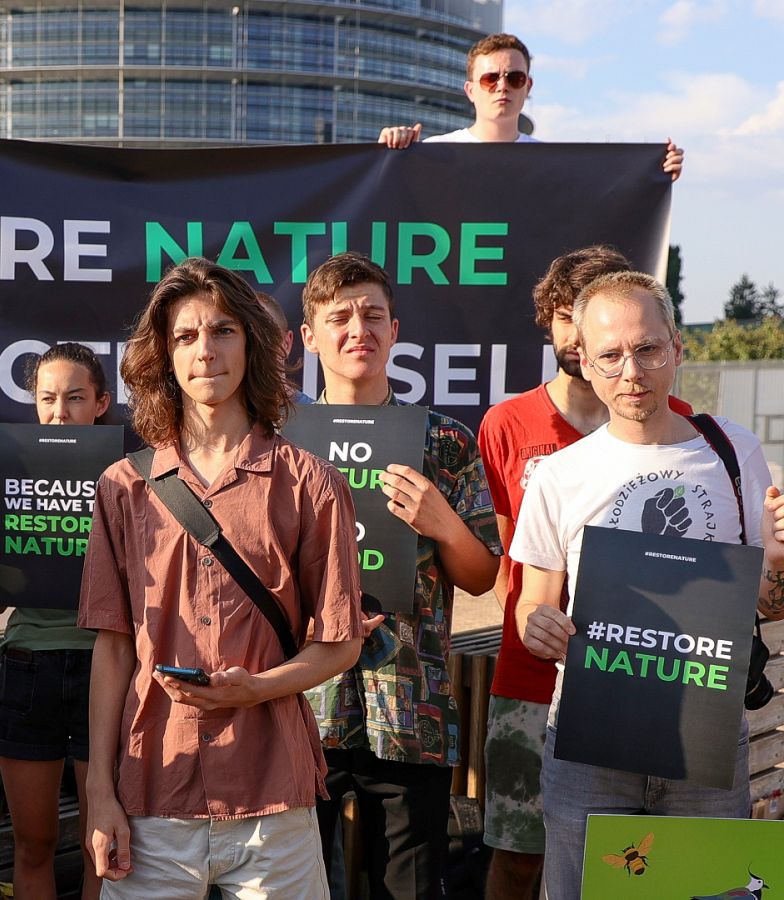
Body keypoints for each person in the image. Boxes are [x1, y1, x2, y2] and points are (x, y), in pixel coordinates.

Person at [81, 257, 365, 898]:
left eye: (223, 331)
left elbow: (341, 643)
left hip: (273, 800)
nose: (204, 351)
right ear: (163, 355)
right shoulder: (124, 486)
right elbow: (112, 645)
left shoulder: (310, 483)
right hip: (152, 786)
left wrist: (255, 688)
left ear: (253, 344)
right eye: (185, 336)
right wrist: (100, 790)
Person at [513, 272, 784, 900]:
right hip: (590, 744)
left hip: (705, 742)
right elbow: (533, 601)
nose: (630, 370)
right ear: (583, 359)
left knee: (711, 891)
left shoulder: (733, 451)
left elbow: (769, 604)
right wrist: (537, 623)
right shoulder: (559, 475)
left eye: (647, 349)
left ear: (676, 347)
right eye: (610, 355)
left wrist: (776, 559)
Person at [475, 246, 695, 899]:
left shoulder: (685, 428)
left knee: (635, 866)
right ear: (550, 320)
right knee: (521, 859)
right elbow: (506, 563)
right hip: (533, 683)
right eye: (565, 314)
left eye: (590, 313)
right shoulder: (506, 423)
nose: (576, 332)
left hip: (650, 681)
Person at [299, 251, 501, 899]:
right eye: (340, 317)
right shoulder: (279, 444)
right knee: (293, 885)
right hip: (302, 706)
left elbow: (480, 578)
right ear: (310, 337)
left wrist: (443, 523)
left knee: (413, 889)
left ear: (394, 330)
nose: (358, 328)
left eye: (372, 314)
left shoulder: (444, 441)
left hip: (410, 709)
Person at [0, 342, 111, 900]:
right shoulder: (16, 474)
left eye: (75, 398)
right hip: (28, 669)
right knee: (32, 844)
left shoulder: (128, 478)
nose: (60, 411)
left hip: (105, 669)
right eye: (48, 399)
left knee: (105, 843)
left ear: (100, 403)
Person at [376, 33, 684, 180]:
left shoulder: (548, 162)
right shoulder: (432, 153)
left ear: (528, 86)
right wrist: (388, 152)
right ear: (470, 90)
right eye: (490, 79)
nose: (502, 86)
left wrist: (654, 171)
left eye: (514, 77)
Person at [254, 290, 315, 404]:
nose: (255, 344)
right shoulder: (215, 419)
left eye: (265, 335)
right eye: (247, 336)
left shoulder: (317, 417)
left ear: (286, 343)